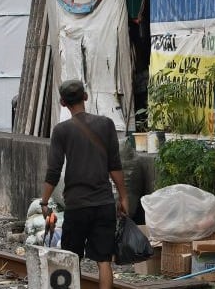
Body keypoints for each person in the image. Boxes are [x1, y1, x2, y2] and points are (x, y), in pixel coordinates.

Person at [40, 80, 129, 289]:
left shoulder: (61, 131)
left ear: (62, 103)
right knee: (104, 261)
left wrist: (44, 201)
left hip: (77, 205)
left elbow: (53, 171)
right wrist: (123, 197)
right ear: (85, 97)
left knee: (71, 259)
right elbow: (114, 165)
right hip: (104, 203)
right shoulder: (106, 124)